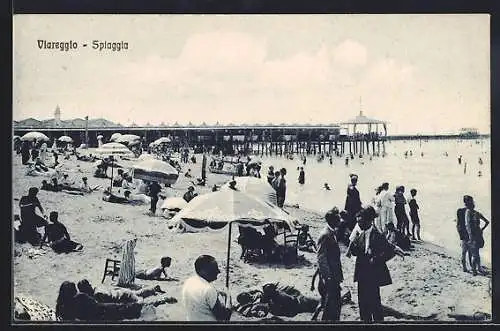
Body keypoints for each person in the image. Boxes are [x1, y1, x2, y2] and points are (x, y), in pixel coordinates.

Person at [347, 206, 397, 323]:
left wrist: (376, 259)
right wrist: (353, 244)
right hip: (361, 274)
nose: (359, 225)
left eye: (361, 222)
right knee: (362, 303)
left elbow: (389, 251)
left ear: (368, 221)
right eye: (358, 222)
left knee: (375, 303)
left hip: (373, 275)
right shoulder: (360, 234)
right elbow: (355, 252)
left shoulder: (377, 235)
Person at [181, 255, 232, 321]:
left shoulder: (189, 281)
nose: (218, 271)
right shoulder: (209, 289)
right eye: (214, 269)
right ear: (203, 271)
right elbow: (225, 317)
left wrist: (216, 292)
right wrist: (228, 296)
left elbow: (200, 295)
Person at [316, 208, 344, 321]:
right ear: (333, 221)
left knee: (334, 303)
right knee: (330, 305)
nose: (340, 220)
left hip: (334, 274)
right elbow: (321, 257)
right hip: (330, 276)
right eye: (338, 219)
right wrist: (327, 276)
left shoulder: (331, 233)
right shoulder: (326, 234)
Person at [461, 195, 490, 276]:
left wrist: (470, 235)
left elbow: (467, 225)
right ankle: (476, 269)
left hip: (469, 236)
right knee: (475, 253)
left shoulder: (467, 212)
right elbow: (487, 222)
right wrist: (481, 229)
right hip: (476, 235)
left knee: (468, 253)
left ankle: (471, 270)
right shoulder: (476, 213)